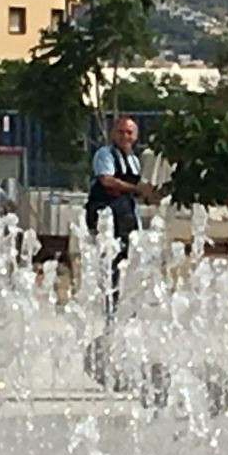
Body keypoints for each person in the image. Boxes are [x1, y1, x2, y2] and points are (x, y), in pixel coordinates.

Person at [84, 115, 160, 315]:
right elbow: (107, 180)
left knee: (131, 260)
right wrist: (137, 189)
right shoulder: (105, 155)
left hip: (126, 214)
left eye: (129, 132)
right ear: (112, 133)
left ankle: (124, 307)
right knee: (112, 262)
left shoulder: (134, 160)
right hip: (107, 213)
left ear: (135, 136)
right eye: (121, 131)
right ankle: (109, 306)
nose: (125, 136)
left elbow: (136, 192)